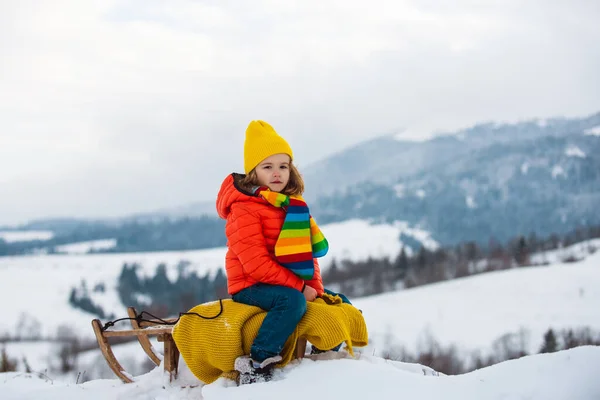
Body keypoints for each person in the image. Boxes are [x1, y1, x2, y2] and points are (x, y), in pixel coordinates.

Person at [215, 120, 351, 384]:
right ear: (254, 172)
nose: (277, 173)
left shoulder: (292, 206)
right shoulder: (243, 210)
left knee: (336, 300)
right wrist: (300, 290)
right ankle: (257, 362)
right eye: (268, 167)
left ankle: (325, 359)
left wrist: (315, 288)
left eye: (283, 166)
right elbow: (256, 264)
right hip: (251, 284)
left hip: (285, 282)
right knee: (293, 302)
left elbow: (306, 256)